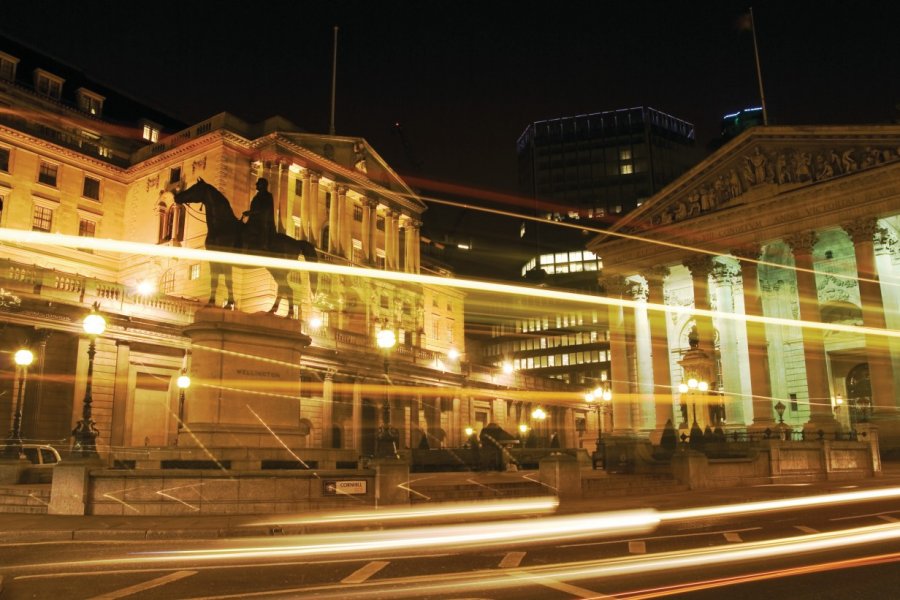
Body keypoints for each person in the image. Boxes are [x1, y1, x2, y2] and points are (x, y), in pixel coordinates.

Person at [242, 178, 275, 251]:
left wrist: (250, 212)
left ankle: (263, 246)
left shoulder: (267, 195)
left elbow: (264, 209)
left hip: (261, 221)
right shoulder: (258, 195)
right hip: (253, 220)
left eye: (258, 183)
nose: (256, 184)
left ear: (263, 185)